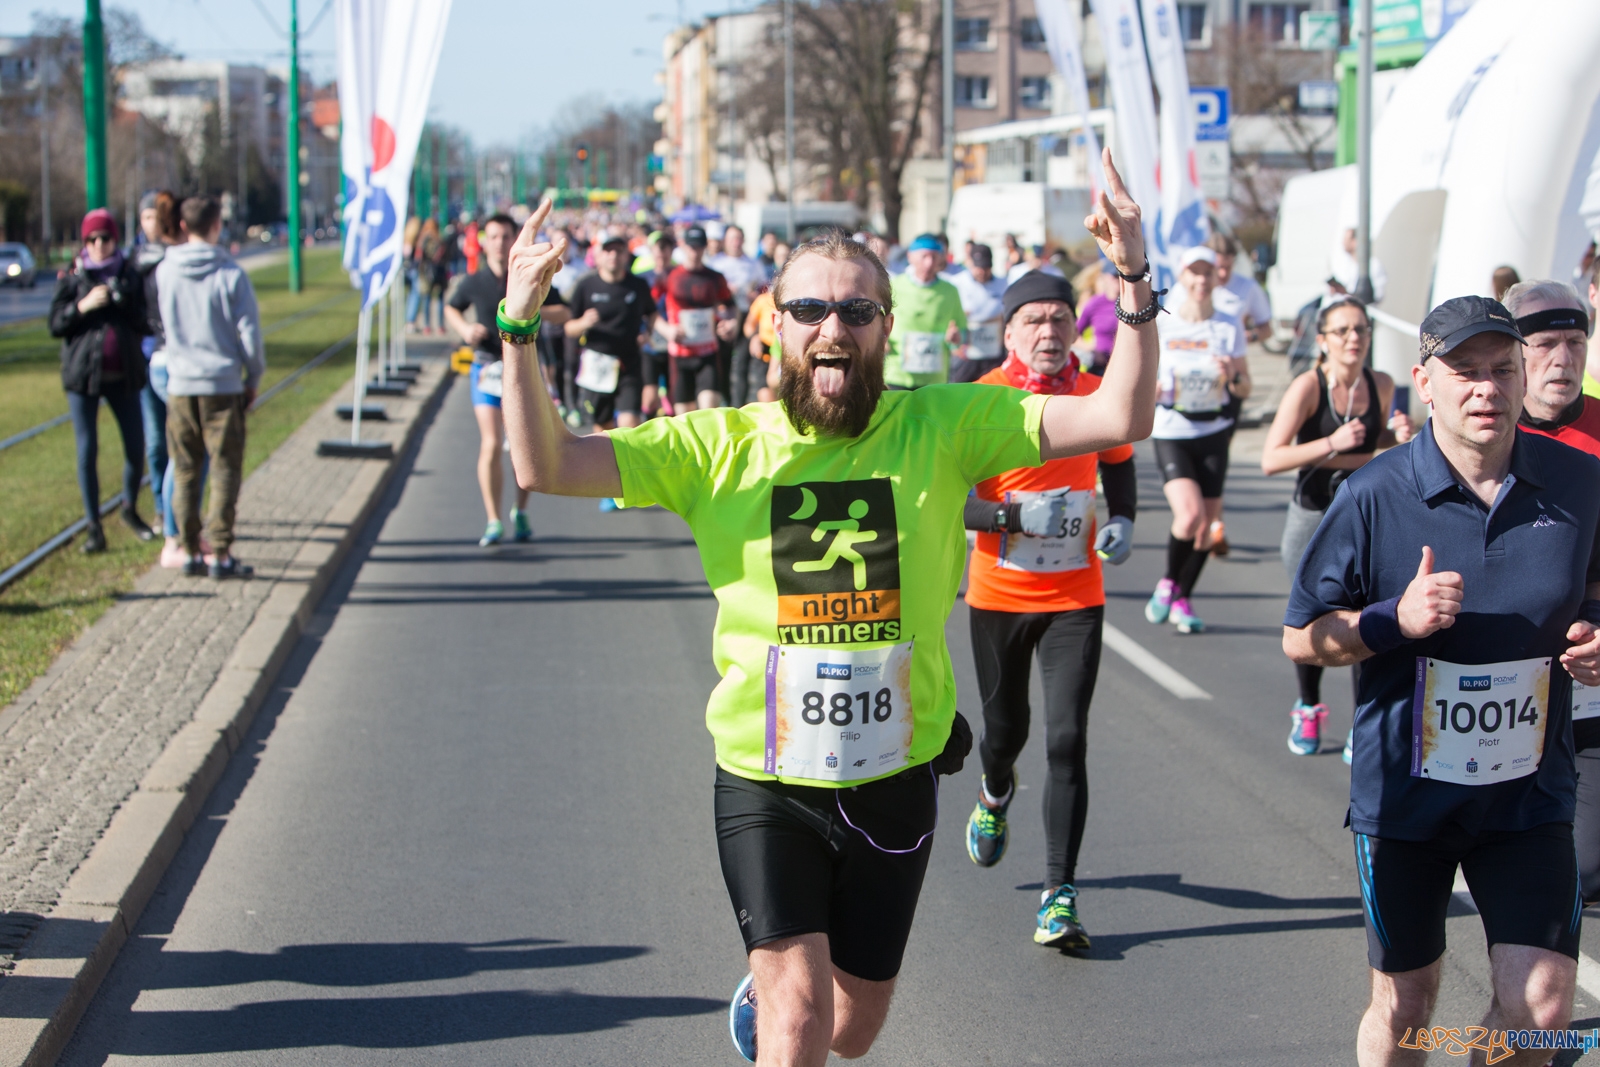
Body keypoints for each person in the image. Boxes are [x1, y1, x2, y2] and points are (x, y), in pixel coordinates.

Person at [499, 149, 1160, 1066]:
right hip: (765, 778)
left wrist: (1131, 272)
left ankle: (777, 1007)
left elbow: (1121, 414)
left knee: (854, 1028)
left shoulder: (945, 421)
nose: (831, 325)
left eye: (855, 308)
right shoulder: (717, 444)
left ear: (885, 327)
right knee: (803, 1018)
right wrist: (519, 324)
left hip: (897, 772)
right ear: (774, 325)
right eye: (809, 307)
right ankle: (779, 1003)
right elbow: (549, 465)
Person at [1282, 294, 1600, 1067]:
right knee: (1407, 1005)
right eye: (1465, 372)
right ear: (1425, 382)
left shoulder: (1580, 483)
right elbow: (1302, 633)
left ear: (1525, 378)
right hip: (1406, 800)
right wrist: (1393, 620)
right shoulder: (1374, 494)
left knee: (1543, 1008)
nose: (1486, 389)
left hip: (1528, 795)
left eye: (1502, 370)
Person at [959, 270, 1138, 951]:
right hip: (999, 594)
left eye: (1060, 319)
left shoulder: (1095, 393)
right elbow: (952, 500)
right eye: (1033, 320)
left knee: (1067, 737)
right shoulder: (979, 400)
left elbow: (1118, 461)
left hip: (1074, 595)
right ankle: (995, 789)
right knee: (1004, 731)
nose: (1049, 331)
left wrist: (1121, 518)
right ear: (1008, 332)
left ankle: (1058, 893)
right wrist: (1007, 513)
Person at [1262, 295, 1412, 760]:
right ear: (1323, 341)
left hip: (1361, 520)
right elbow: (1272, 458)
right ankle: (1308, 707)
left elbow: (1373, 443)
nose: (1354, 339)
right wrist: (1329, 442)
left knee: (1361, 621)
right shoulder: (1308, 387)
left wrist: (1398, 435)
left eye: (1361, 330)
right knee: (1312, 625)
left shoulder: (1381, 384)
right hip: (1311, 518)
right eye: (1343, 331)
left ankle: (1361, 723)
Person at [1503, 280, 1600, 907]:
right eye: (1544, 344)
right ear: (1516, 353)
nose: (1562, 359)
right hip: (1501, 675)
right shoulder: (1480, 422)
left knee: (1585, 871)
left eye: (1575, 341)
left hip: (1586, 672)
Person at [446, 213, 571, 546]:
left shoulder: (529, 277)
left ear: (516, 240)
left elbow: (565, 312)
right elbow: (451, 307)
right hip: (487, 366)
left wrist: (530, 307)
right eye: (494, 237)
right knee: (490, 443)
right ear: (485, 241)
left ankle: (521, 510)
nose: (500, 243)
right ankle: (493, 519)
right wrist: (464, 330)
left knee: (522, 445)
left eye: (506, 237)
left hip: (524, 365)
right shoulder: (475, 281)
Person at [1144, 245, 1251, 635]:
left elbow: (1244, 387)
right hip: (1173, 430)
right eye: (1194, 273)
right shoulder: (1163, 322)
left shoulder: (1227, 324)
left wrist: (1232, 375)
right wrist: (1151, 390)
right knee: (1189, 517)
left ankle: (1184, 597)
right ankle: (1169, 581)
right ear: (1183, 277)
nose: (1202, 281)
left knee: (1208, 527)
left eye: (1208, 273)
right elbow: (1141, 376)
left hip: (1214, 431)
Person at [157, 195, 263, 578]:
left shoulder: (165, 271)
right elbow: (249, 335)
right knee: (223, 469)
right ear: (217, 225)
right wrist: (253, 377)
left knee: (185, 468)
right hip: (222, 383)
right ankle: (219, 551)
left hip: (181, 383)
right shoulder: (231, 274)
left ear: (183, 227)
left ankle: (188, 549)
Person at [49, 207, 152, 554]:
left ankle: (129, 508)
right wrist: (82, 305)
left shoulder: (129, 274)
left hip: (124, 375)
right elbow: (55, 326)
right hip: (83, 378)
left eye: (104, 238)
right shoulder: (73, 278)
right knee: (87, 449)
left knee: (136, 448)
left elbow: (145, 323)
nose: (97, 245)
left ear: (114, 240)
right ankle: (94, 527)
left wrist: (122, 301)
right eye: (91, 239)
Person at [132, 191, 185, 565]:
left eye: (157, 216)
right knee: (156, 444)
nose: (152, 224)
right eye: (146, 217)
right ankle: (165, 513)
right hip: (145, 361)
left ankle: (177, 524)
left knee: (181, 446)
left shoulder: (174, 259)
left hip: (169, 359)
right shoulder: (133, 261)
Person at [566, 229, 655, 445]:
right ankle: (606, 475)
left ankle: (627, 474)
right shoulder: (586, 285)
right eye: (608, 251)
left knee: (629, 425)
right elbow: (569, 327)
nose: (613, 256)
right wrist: (583, 323)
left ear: (626, 255)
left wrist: (648, 333)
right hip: (597, 365)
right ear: (599, 255)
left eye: (618, 251)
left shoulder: (637, 285)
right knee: (602, 430)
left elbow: (651, 313)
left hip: (629, 363)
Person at [655, 224, 739, 413]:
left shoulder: (715, 277)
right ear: (683, 246)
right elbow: (650, 310)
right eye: (692, 246)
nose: (695, 252)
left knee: (708, 411)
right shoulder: (669, 276)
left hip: (708, 352)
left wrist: (731, 323)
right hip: (680, 354)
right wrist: (666, 330)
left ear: (705, 247)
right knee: (685, 418)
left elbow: (731, 307)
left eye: (699, 247)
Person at [884, 234, 966, 389]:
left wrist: (956, 338)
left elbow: (961, 330)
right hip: (897, 375)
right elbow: (877, 321)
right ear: (910, 257)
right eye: (924, 256)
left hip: (934, 379)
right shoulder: (894, 286)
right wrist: (881, 340)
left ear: (941, 259)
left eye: (934, 257)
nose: (929, 263)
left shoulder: (950, 291)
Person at [710, 225, 769, 406]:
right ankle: (724, 403)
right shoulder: (715, 263)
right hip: (721, 317)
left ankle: (739, 407)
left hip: (746, 316)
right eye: (731, 239)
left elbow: (765, 289)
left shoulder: (753, 264)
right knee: (722, 366)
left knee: (742, 364)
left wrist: (756, 294)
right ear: (725, 241)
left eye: (738, 238)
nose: (735, 243)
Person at [947, 244, 1007, 383]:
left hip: (993, 352)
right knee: (960, 391)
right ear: (970, 263)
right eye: (978, 267)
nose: (982, 271)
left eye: (986, 267)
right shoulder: (956, 283)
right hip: (966, 351)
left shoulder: (1003, 284)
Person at [1207, 233, 1273, 344]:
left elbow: (1267, 330)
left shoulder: (1248, 286)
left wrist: (1250, 336)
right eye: (1219, 267)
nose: (1223, 273)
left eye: (1228, 267)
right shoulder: (1197, 285)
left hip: (1231, 356)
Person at [1075, 263, 1122, 376]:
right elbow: (1073, 333)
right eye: (1115, 276)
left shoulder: (1132, 303)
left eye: (1121, 276)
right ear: (1105, 278)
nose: (1118, 280)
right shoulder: (1095, 303)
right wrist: (1091, 348)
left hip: (1126, 365)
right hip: (1101, 367)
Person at [1331, 227, 1388, 303]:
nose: (1343, 243)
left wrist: (1347, 294)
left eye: (1346, 240)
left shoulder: (1374, 265)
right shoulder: (1345, 264)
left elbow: (1377, 296)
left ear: (1355, 241)